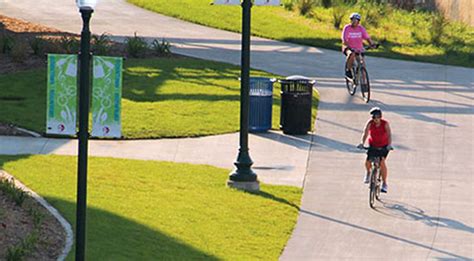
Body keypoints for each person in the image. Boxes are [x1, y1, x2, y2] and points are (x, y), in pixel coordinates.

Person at [357, 107, 393, 193]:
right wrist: (362, 143)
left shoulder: (385, 124)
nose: (376, 120)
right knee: (368, 161)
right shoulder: (370, 124)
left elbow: (389, 135)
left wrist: (389, 145)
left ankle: (384, 183)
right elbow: (365, 133)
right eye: (374, 118)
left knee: (382, 162)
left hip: (384, 146)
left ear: (380, 117)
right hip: (373, 145)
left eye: (377, 117)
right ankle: (368, 173)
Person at [341, 12, 376, 80]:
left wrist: (372, 44)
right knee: (351, 54)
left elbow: (367, 38)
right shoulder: (347, 28)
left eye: (356, 20)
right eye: (352, 20)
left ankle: (364, 80)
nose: (354, 22)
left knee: (362, 62)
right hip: (348, 47)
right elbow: (344, 39)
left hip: (359, 48)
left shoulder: (361, 28)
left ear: (358, 21)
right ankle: (348, 70)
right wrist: (348, 46)